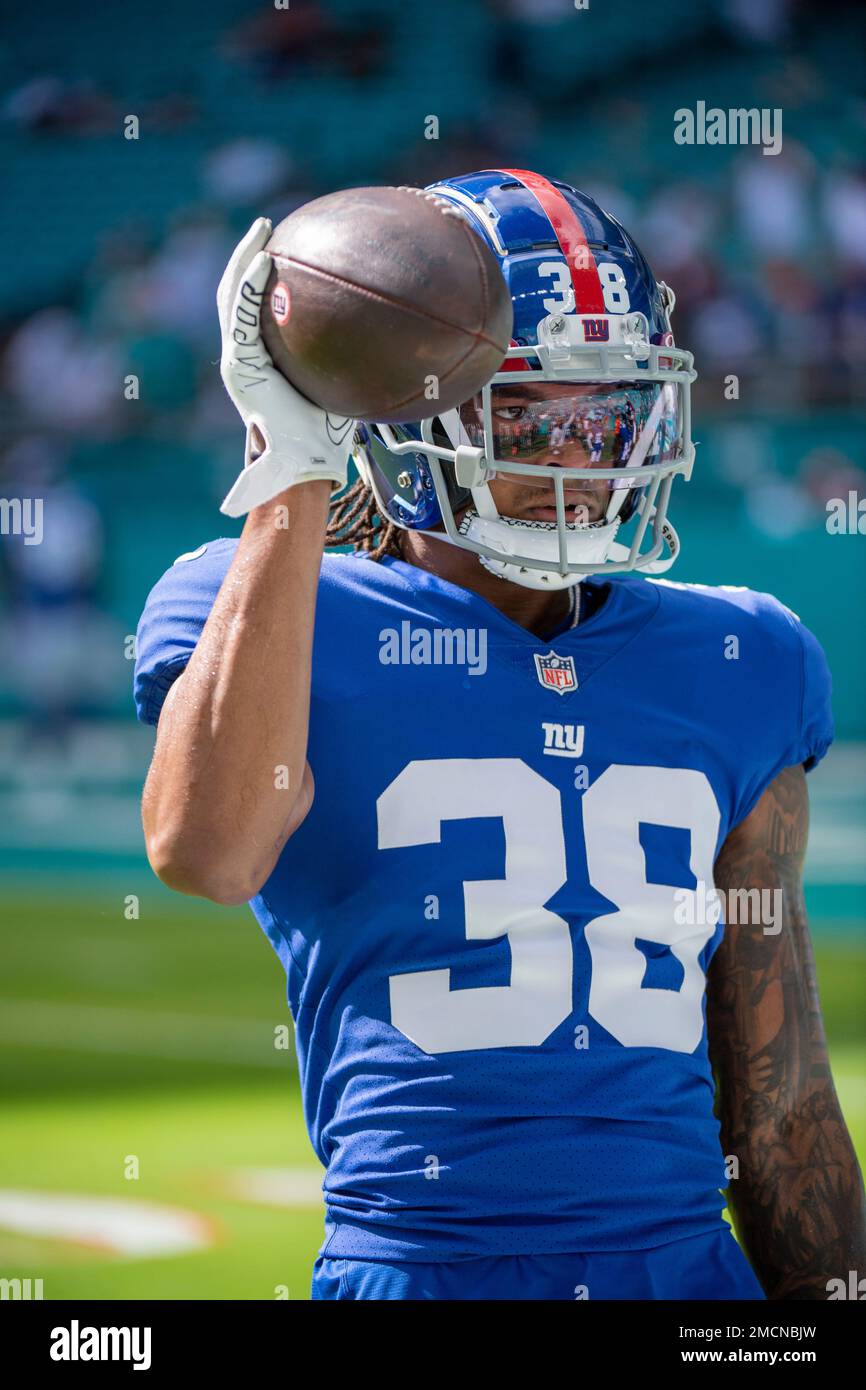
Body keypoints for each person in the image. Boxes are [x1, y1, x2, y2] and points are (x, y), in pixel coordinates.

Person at [134, 169, 864, 1301]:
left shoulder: (742, 657)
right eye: (537, 414)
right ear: (412, 413)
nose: (583, 458)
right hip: (423, 1275)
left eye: (609, 411)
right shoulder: (270, 611)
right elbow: (210, 851)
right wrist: (291, 471)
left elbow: (778, 1106)